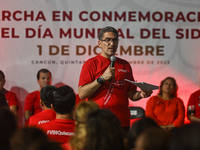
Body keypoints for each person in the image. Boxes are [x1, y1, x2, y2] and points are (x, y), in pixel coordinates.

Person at [78, 26, 152, 130]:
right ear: (100, 43)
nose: (112, 44)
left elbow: (131, 94)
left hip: (121, 121)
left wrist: (141, 94)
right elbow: (82, 94)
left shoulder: (124, 65)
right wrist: (102, 78)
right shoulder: (91, 64)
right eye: (108, 40)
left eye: (114, 40)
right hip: (98, 122)